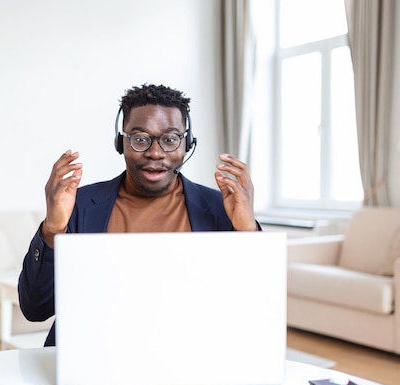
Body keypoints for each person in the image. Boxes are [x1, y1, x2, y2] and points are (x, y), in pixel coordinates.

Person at [18, 84, 260, 346]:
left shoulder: (221, 208)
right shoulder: (79, 204)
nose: (155, 152)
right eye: (141, 138)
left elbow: (252, 306)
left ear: (187, 144)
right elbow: (35, 308)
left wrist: (247, 231)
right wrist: (53, 228)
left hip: (187, 354)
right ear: (121, 142)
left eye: (170, 139)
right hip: (90, 354)